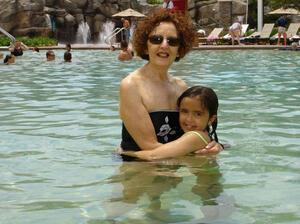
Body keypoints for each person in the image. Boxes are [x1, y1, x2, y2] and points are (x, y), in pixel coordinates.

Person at [119, 9, 222, 159]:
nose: (164, 45)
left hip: (172, 170)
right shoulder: (131, 86)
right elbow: (152, 149)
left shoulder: (181, 87)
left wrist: (213, 145)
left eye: (172, 41)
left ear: (179, 50)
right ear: (146, 45)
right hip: (141, 174)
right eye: (156, 39)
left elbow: (198, 132)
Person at [121, 86, 219, 160]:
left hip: (207, 186)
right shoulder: (205, 137)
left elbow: (153, 156)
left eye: (198, 114)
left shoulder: (195, 136)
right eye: (184, 111)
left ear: (211, 119)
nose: (189, 119)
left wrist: (125, 153)